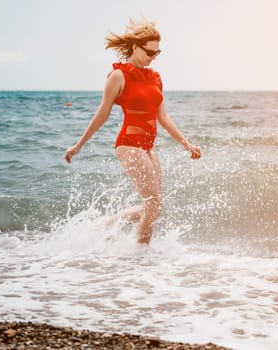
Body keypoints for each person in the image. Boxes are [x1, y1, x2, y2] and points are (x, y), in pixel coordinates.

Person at [64, 18, 201, 244]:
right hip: (128, 144)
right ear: (135, 47)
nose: (152, 57)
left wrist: (186, 144)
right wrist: (78, 146)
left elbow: (163, 117)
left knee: (154, 206)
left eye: (157, 53)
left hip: (148, 147)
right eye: (149, 52)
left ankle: (105, 225)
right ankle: (140, 255)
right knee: (153, 204)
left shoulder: (155, 77)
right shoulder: (118, 76)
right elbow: (103, 113)